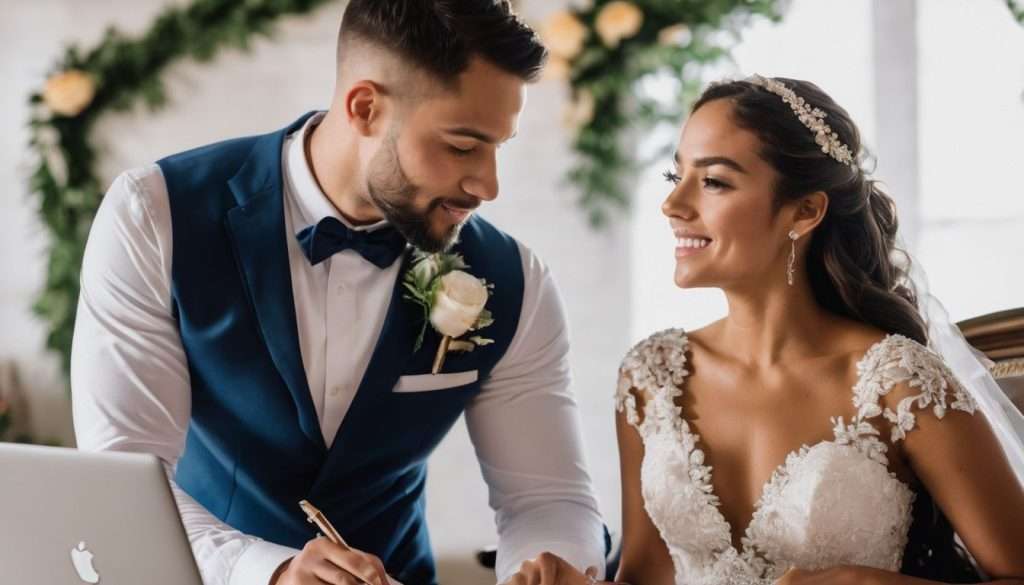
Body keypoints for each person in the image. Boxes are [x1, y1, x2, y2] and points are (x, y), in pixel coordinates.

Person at [70, 2, 607, 585]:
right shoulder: (156, 216)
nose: (488, 184)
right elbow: (123, 483)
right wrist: (268, 573)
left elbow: (547, 498)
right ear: (365, 107)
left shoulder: (512, 276)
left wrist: (549, 564)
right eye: (461, 146)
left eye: (498, 146)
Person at [505, 76, 1024, 585]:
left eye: (713, 181)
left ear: (805, 211)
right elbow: (645, 576)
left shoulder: (898, 383)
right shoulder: (651, 376)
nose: (673, 205)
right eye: (675, 177)